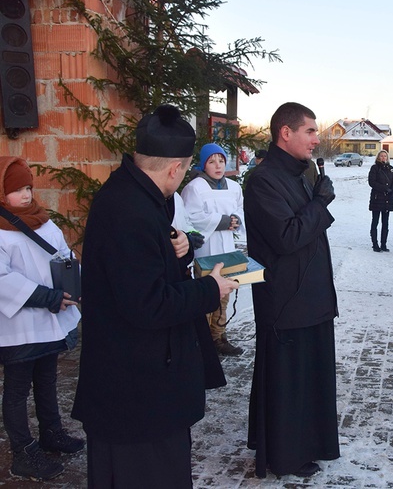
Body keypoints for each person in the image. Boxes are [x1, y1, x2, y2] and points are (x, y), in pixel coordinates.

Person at [72, 105, 238, 487]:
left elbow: (143, 266)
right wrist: (211, 289)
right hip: (136, 396)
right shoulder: (130, 211)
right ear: (175, 169)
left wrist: (177, 245)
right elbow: (148, 305)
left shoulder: (135, 195)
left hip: (140, 386)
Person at [243, 102, 340, 478]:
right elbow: (286, 237)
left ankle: (309, 444)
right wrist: (319, 203)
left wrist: (316, 198)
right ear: (286, 132)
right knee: (288, 382)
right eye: (311, 131)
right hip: (285, 301)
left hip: (312, 296)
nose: (317, 139)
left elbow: (308, 230)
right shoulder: (264, 180)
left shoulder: (301, 174)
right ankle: (284, 453)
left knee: (310, 379)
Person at [0, 157, 83, 481]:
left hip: (50, 321)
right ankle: (23, 452)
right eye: (16, 190)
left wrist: (76, 285)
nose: (24, 195)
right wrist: (45, 297)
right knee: (17, 389)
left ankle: (52, 432)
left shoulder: (44, 223)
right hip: (18, 327)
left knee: (47, 379)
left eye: (27, 188)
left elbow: (64, 257)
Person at [182, 143, 246, 356]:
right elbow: (190, 217)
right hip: (207, 250)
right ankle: (202, 342)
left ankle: (218, 337)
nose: (218, 166)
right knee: (207, 295)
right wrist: (221, 221)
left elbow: (240, 209)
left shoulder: (234, 187)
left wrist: (236, 220)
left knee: (224, 295)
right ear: (203, 164)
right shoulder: (195, 187)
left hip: (226, 247)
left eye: (221, 160)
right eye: (212, 161)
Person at [368, 150, 393, 252]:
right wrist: (384, 188)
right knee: (375, 221)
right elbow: (372, 182)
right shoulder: (375, 168)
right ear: (378, 157)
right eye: (381, 156)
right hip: (377, 198)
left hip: (387, 199)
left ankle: (384, 244)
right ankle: (375, 244)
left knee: (385, 223)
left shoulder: (391, 169)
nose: (383, 158)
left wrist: (392, 190)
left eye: (385, 156)